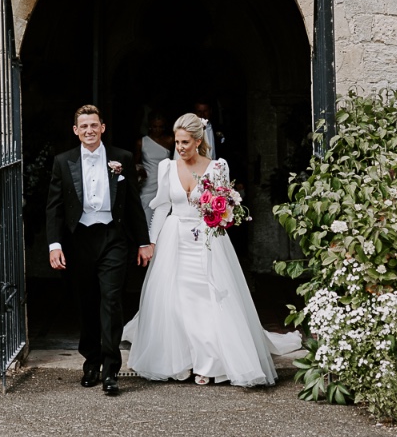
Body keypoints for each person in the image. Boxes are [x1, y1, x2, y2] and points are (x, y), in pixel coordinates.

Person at [122, 113, 301, 386]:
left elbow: (226, 207)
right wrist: (151, 242)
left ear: (197, 141)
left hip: (207, 239)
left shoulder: (218, 167)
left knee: (207, 297)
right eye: (177, 142)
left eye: (184, 142)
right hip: (174, 237)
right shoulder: (167, 168)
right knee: (176, 299)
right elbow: (161, 208)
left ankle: (208, 362)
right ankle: (180, 361)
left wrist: (221, 215)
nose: (179, 147)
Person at [46, 105, 152, 396]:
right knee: (87, 302)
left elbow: (132, 203)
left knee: (111, 300)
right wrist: (55, 245)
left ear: (102, 127)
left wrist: (144, 241)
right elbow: (54, 208)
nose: (89, 131)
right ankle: (90, 361)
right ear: (75, 130)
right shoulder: (63, 162)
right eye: (84, 126)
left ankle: (110, 369)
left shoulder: (122, 158)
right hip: (79, 240)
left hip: (113, 238)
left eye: (94, 125)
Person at [134, 111, 174, 227]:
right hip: (148, 183)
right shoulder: (141, 142)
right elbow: (136, 163)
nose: (157, 130)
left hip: (164, 182)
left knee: (164, 219)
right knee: (146, 218)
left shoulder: (170, 141)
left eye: (160, 127)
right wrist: (139, 171)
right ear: (150, 126)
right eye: (155, 127)